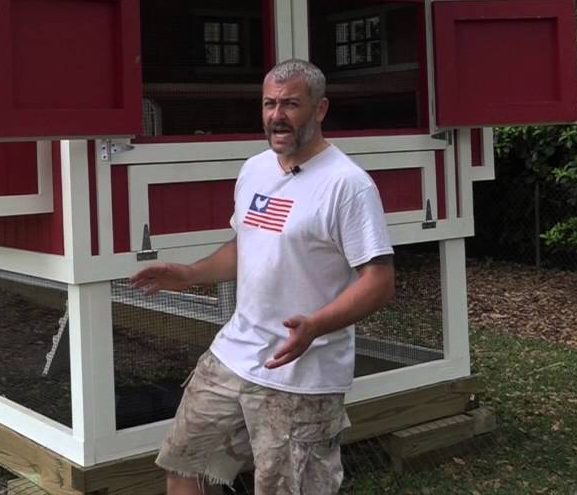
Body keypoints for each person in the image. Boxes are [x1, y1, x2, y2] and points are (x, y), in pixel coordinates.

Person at [130, 59, 396, 494]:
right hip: (234, 354)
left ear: (320, 108)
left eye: (290, 104)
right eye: (269, 104)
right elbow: (245, 246)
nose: (277, 115)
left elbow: (379, 280)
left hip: (302, 375)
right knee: (184, 464)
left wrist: (316, 325)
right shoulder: (255, 169)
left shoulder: (348, 185)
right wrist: (192, 273)